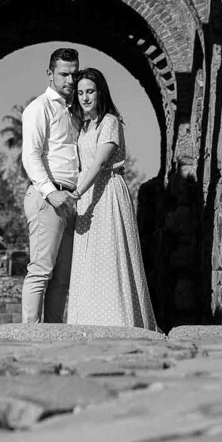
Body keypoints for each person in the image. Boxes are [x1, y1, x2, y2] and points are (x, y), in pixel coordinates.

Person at [67, 68, 157, 329]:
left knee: (109, 257)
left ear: (100, 92)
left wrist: (76, 193)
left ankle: (116, 320)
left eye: (90, 92)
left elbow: (98, 162)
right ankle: (85, 320)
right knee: (88, 259)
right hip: (87, 194)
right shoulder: (84, 127)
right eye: (81, 92)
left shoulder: (110, 122)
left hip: (106, 194)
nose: (85, 98)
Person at [21, 48, 79, 323]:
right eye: (64, 74)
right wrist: (50, 192)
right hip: (48, 197)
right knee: (41, 270)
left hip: (69, 200)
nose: (70, 80)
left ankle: (53, 336)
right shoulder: (39, 108)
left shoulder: (73, 111)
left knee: (62, 278)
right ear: (50, 74)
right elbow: (30, 155)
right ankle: (29, 335)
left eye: (74, 74)